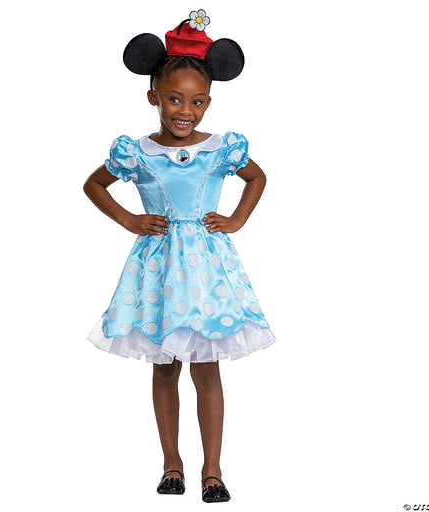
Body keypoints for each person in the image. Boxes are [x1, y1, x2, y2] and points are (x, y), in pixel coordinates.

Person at [83, 10, 276, 503]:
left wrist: (236, 219)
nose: (184, 110)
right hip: (159, 270)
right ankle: (172, 465)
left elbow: (257, 177)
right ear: (153, 97)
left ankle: (213, 470)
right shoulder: (136, 152)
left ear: (208, 102)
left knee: (206, 366)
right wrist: (129, 219)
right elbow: (94, 184)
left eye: (196, 101)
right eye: (173, 99)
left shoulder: (221, 148)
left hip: (208, 271)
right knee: (165, 365)